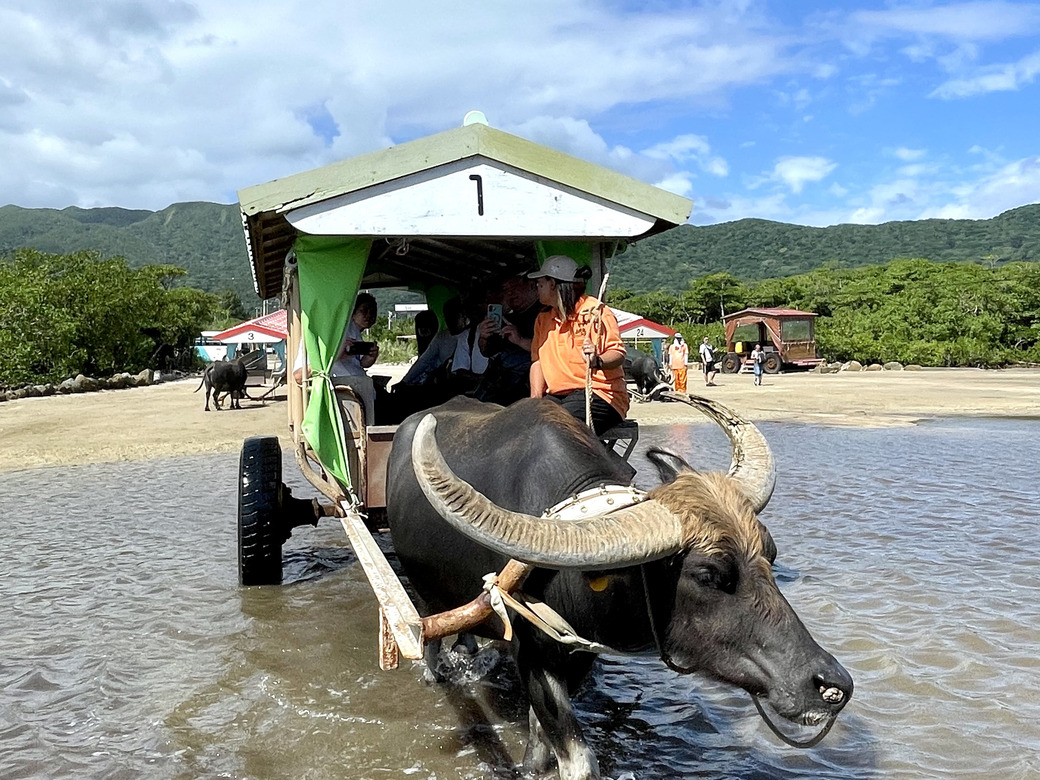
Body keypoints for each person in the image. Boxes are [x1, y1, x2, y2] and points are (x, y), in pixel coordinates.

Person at [528, 255, 628, 435]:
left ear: (553, 285)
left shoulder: (595, 311)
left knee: (557, 429)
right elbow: (538, 362)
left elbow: (617, 352)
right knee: (528, 425)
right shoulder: (543, 319)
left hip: (599, 394)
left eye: (540, 284)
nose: (537, 288)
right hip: (558, 396)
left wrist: (597, 360)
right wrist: (535, 400)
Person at [293, 292, 380, 424]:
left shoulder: (351, 329)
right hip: (342, 397)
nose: (369, 315)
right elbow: (299, 376)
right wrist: (333, 356)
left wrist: (371, 356)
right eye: (364, 310)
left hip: (362, 391)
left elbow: (362, 363)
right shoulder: (313, 336)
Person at [474, 274, 542, 405]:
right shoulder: (507, 319)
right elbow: (487, 351)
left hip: (527, 382)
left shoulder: (546, 314)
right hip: (499, 380)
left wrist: (520, 340)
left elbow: (549, 349)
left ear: (532, 286)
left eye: (515, 287)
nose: (510, 293)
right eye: (506, 290)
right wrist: (483, 336)